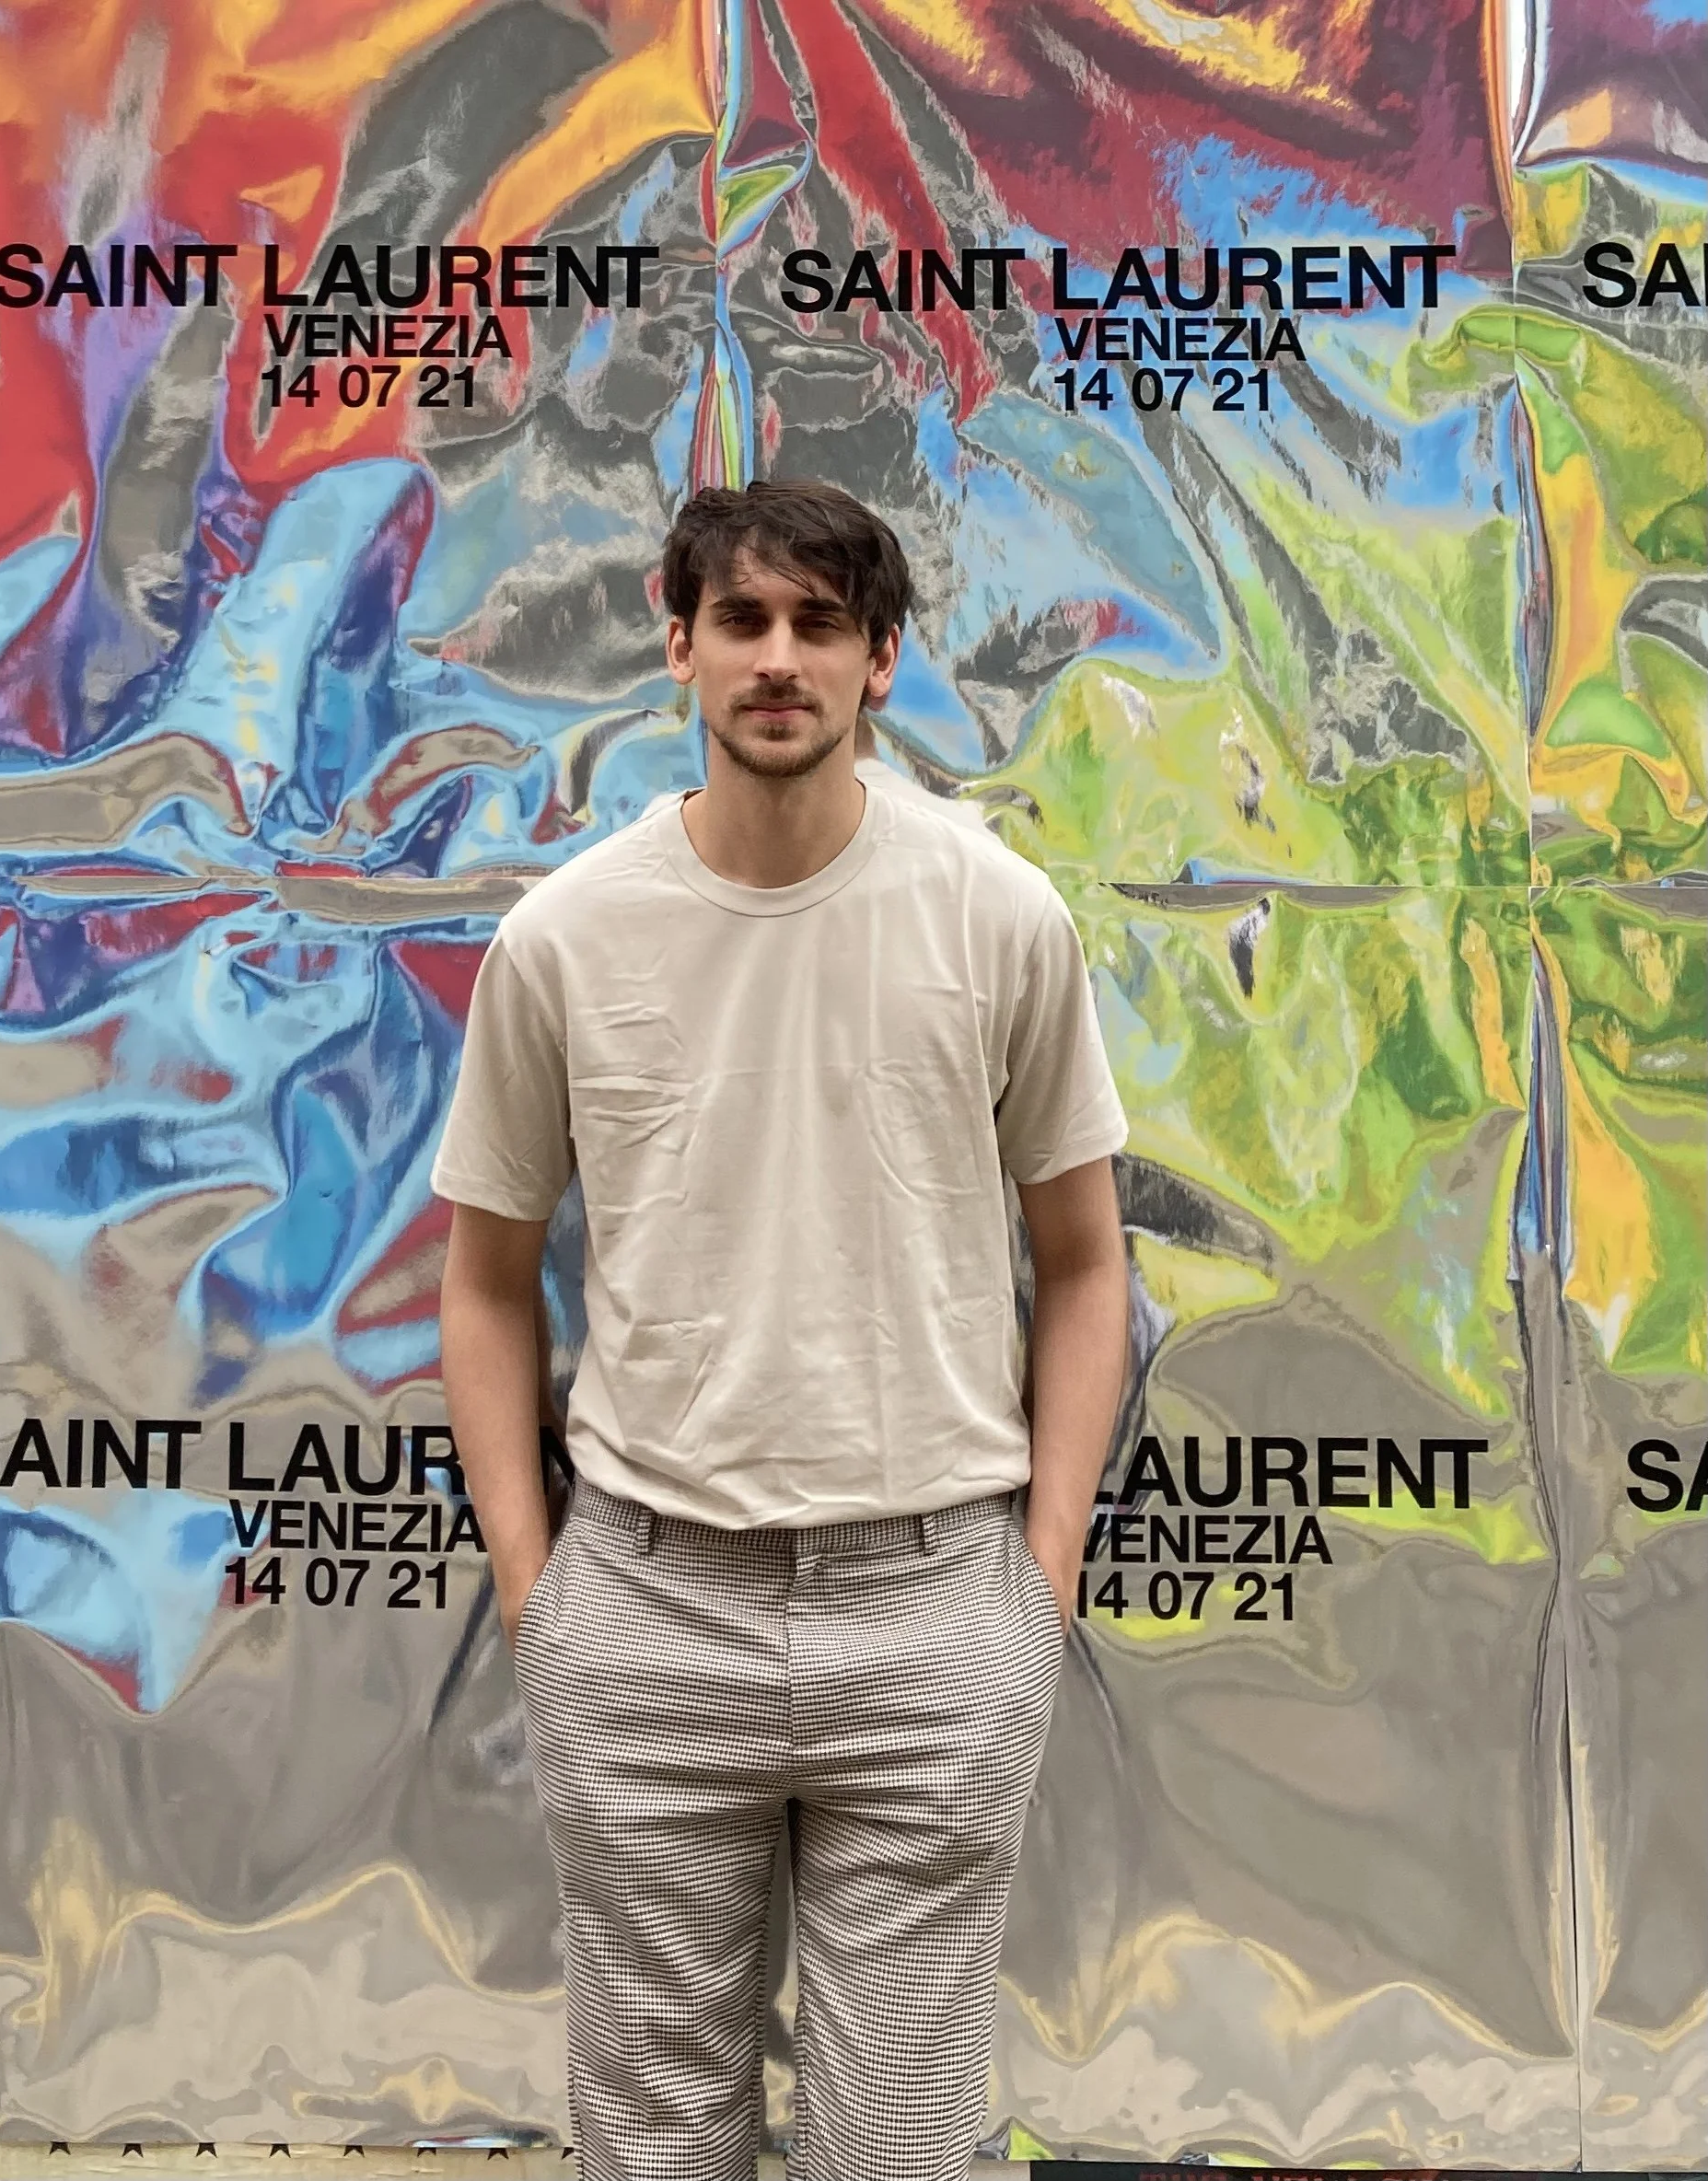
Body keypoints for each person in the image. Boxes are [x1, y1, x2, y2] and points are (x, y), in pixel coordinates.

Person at [432, 479, 1131, 2181]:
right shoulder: (567, 940)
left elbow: (1089, 1265)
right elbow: (482, 1276)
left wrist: (1033, 1581)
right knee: (655, 2141)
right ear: (676, 644)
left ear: (884, 662)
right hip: (647, 1611)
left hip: (934, 1615)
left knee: (898, 2149)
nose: (778, 660)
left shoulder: (996, 918)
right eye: (741, 620)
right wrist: (542, 1595)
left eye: (823, 625)